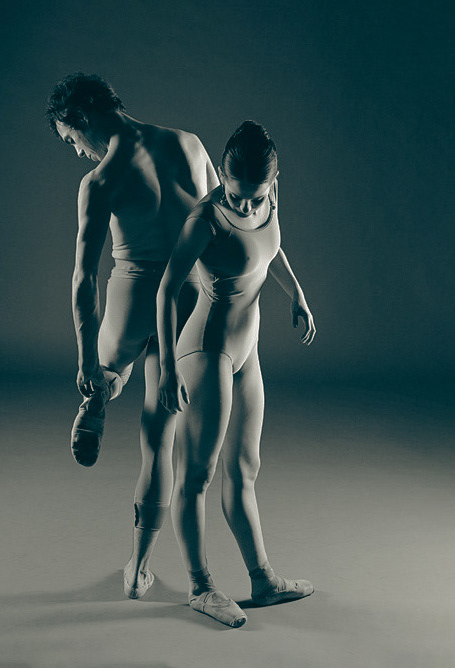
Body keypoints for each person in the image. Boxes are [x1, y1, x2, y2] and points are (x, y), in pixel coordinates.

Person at [46, 73, 218, 598]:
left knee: (109, 363)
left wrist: (84, 360)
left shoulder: (101, 180)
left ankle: (100, 391)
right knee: (158, 439)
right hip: (188, 296)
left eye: (71, 140)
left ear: (81, 117)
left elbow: (83, 278)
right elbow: (225, 222)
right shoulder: (189, 144)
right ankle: (140, 569)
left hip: (134, 293)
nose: (78, 152)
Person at [157, 121, 316, 627]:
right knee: (197, 475)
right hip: (207, 352)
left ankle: (263, 580)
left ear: (273, 184)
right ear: (222, 178)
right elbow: (166, 291)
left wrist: (297, 295)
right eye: (234, 195)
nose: (245, 208)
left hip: (247, 350)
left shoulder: (268, 200)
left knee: (245, 469)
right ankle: (200, 586)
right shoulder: (205, 221)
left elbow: (270, 250)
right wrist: (167, 369)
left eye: (256, 197)